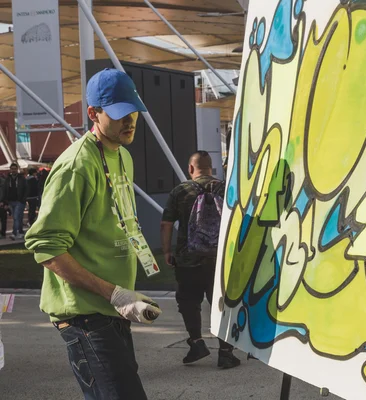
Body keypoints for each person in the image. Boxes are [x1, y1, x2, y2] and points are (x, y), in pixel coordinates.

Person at [24, 68, 162, 400]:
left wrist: (124, 295)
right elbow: (46, 247)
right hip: (85, 317)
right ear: (93, 114)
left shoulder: (122, 156)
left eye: (132, 112)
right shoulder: (76, 165)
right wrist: (114, 293)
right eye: (117, 114)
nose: (128, 121)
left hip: (110, 311)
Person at [161, 151, 240, 369]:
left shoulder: (180, 190)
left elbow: (166, 223)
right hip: (220, 261)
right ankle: (225, 353)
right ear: (211, 168)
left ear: (190, 168)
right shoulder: (225, 188)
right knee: (223, 304)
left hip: (188, 260)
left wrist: (167, 251)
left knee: (188, 301)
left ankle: (196, 343)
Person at [2, 162, 26, 239]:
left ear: (17, 169)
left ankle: (14, 233)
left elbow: (26, 189)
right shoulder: (7, 179)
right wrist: (5, 201)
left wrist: (23, 199)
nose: (13, 170)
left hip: (19, 201)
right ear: (10, 170)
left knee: (16, 217)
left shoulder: (21, 178)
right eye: (12, 169)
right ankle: (20, 232)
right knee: (18, 217)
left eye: (15, 169)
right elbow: (5, 190)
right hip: (10, 201)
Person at [0, 173, 6, 238]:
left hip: (2, 204)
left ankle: (3, 233)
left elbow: (5, 193)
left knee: (3, 219)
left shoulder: (3, 182)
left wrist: (4, 202)